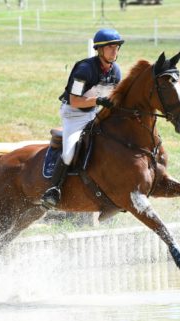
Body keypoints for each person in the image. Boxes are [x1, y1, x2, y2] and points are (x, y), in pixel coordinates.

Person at [41, 28, 124, 208]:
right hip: (73, 114)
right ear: (100, 50)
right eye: (110, 47)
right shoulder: (85, 69)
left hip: (94, 114)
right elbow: (74, 100)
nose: (114, 51)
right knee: (70, 151)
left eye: (117, 47)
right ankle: (53, 191)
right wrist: (99, 100)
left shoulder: (116, 72)